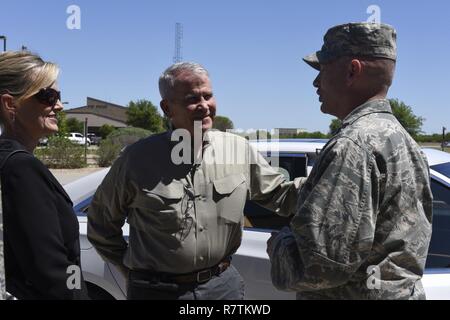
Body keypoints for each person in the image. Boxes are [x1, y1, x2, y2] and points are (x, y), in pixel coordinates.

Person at [87, 62, 301, 300]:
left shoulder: (238, 149)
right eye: (192, 98)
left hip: (222, 287)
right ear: (167, 108)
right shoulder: (137, 159)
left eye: (208, 96)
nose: (204, 106)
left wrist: (328, 180)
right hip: (156, 291)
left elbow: (281, 196)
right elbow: (101, 225)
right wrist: (130, 270)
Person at [267, 22, 433, 300]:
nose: (316, 82)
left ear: (351, 71)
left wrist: (280, 244)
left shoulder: (352, 145)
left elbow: (317, 269)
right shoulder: (401, 139)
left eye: (322, 69)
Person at [0, 51, 89, 300]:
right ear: (10, 104)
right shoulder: (21, 168)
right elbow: (51, 271)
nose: (58, 105)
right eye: (47, 96)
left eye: (58, 97)